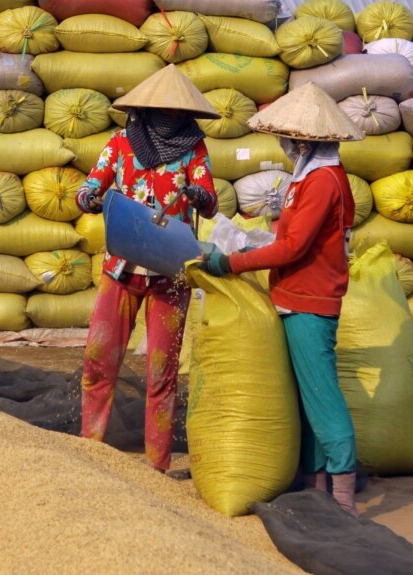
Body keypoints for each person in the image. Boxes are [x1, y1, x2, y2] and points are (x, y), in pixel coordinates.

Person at [198, 82, 364, 517]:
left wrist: (232, 262)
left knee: (321, 397)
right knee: (305, 399)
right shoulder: (307, 178)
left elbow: (292, 249)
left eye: (288, 139)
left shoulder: (324, 181)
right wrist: (255, 238)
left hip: (311, 301)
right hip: (293, 296)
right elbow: (288, 237)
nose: (284, 145)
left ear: (304, 140)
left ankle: (343, 495)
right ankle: (313, 483)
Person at [75, 64, 220, 473]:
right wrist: (88, 199)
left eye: (178, 112)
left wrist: (197, 194)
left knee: (162, 375)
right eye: (164, 111)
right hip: (121, 268)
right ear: (146, 110)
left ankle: (156, 468)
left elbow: (210, 201)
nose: (172, 118)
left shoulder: (194, 150)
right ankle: (91, 456)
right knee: (97, 363)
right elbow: (89, 186)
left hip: (170, 274)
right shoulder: (120, 143)